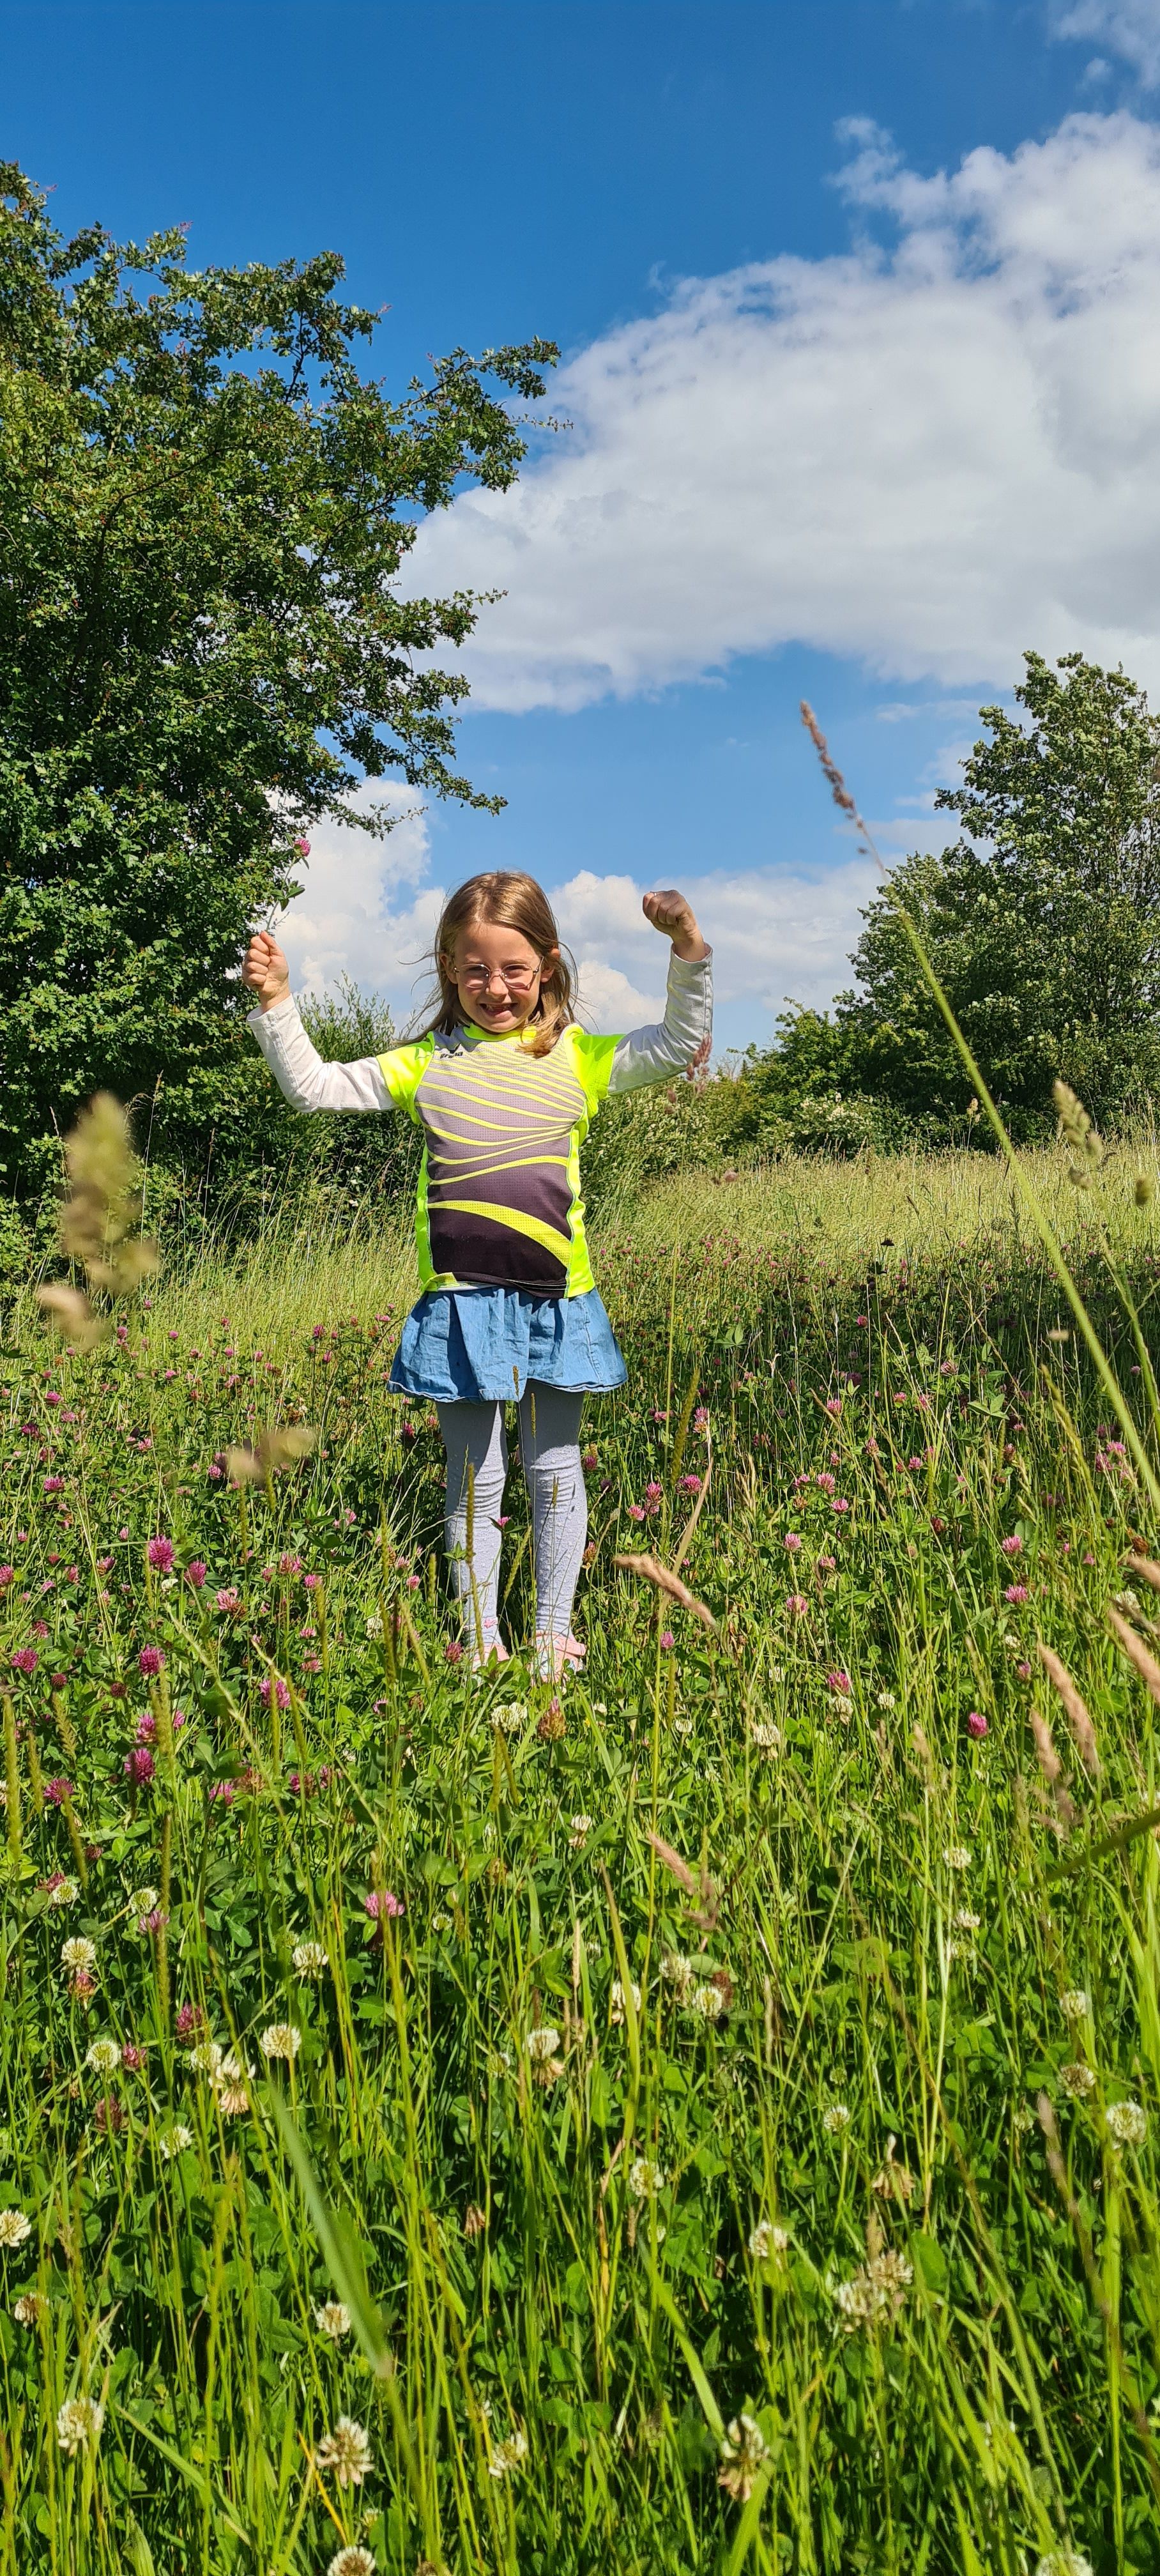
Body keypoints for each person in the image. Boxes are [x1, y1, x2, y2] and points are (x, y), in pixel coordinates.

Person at [243, 869, 712, 1678]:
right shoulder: (425, 1065)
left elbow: (674, 1047)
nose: (496, 988)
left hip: (556, 1303)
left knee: (553, 1469)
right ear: (448, 970)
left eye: (515, 970)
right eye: (475, 971)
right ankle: (478, 1642)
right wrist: (278, 1000)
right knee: (473, 1479)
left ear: (549, 969)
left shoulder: (579, 1058)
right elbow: (314, 1090)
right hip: (459, 1307)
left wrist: (688, 950)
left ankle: (551, 1635)